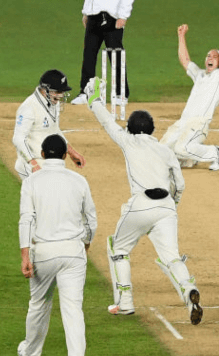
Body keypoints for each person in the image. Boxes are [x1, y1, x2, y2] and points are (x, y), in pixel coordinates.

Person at [82, 78, 203, 325]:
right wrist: (172, 205)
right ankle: (189, 292)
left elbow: (106, 121)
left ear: (129, 129)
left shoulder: (128, 141)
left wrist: (93, 98)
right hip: (166, 207)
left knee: (118, 248)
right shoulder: (165, 151)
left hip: (141, 205)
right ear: (152, 130)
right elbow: (180, 184)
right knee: (171, 257)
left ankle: (125, 302)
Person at [17, 134, 97, 356]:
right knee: (73, 311)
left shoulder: (31, 182)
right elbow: (91, 220)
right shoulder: (79, 181)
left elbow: (26, 219)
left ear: (42, 154)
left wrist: (25, 255)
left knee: (39, 305)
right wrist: (86, 244)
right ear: (64, 155)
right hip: (73, 252)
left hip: (43, 252)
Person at [160, 13, 219, 171]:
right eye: (208, 56)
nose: (209, 58)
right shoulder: (199, 75)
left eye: (214, 57)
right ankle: (189, 159)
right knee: (160, 151)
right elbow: (185, 60)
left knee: (181, 148)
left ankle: (215, 153)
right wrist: (181, 36)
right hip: (182, 122)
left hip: (198, 124)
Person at [13, 70, 87, 180]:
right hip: (31, 163)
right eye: (58, 91)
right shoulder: (29, 107)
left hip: (48, 162)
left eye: (62, 92)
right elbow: (18, 139)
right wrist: (33, 164)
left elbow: (54, 130)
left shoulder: (53, 103)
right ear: (45, 90)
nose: (60, 95)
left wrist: (71, 152)